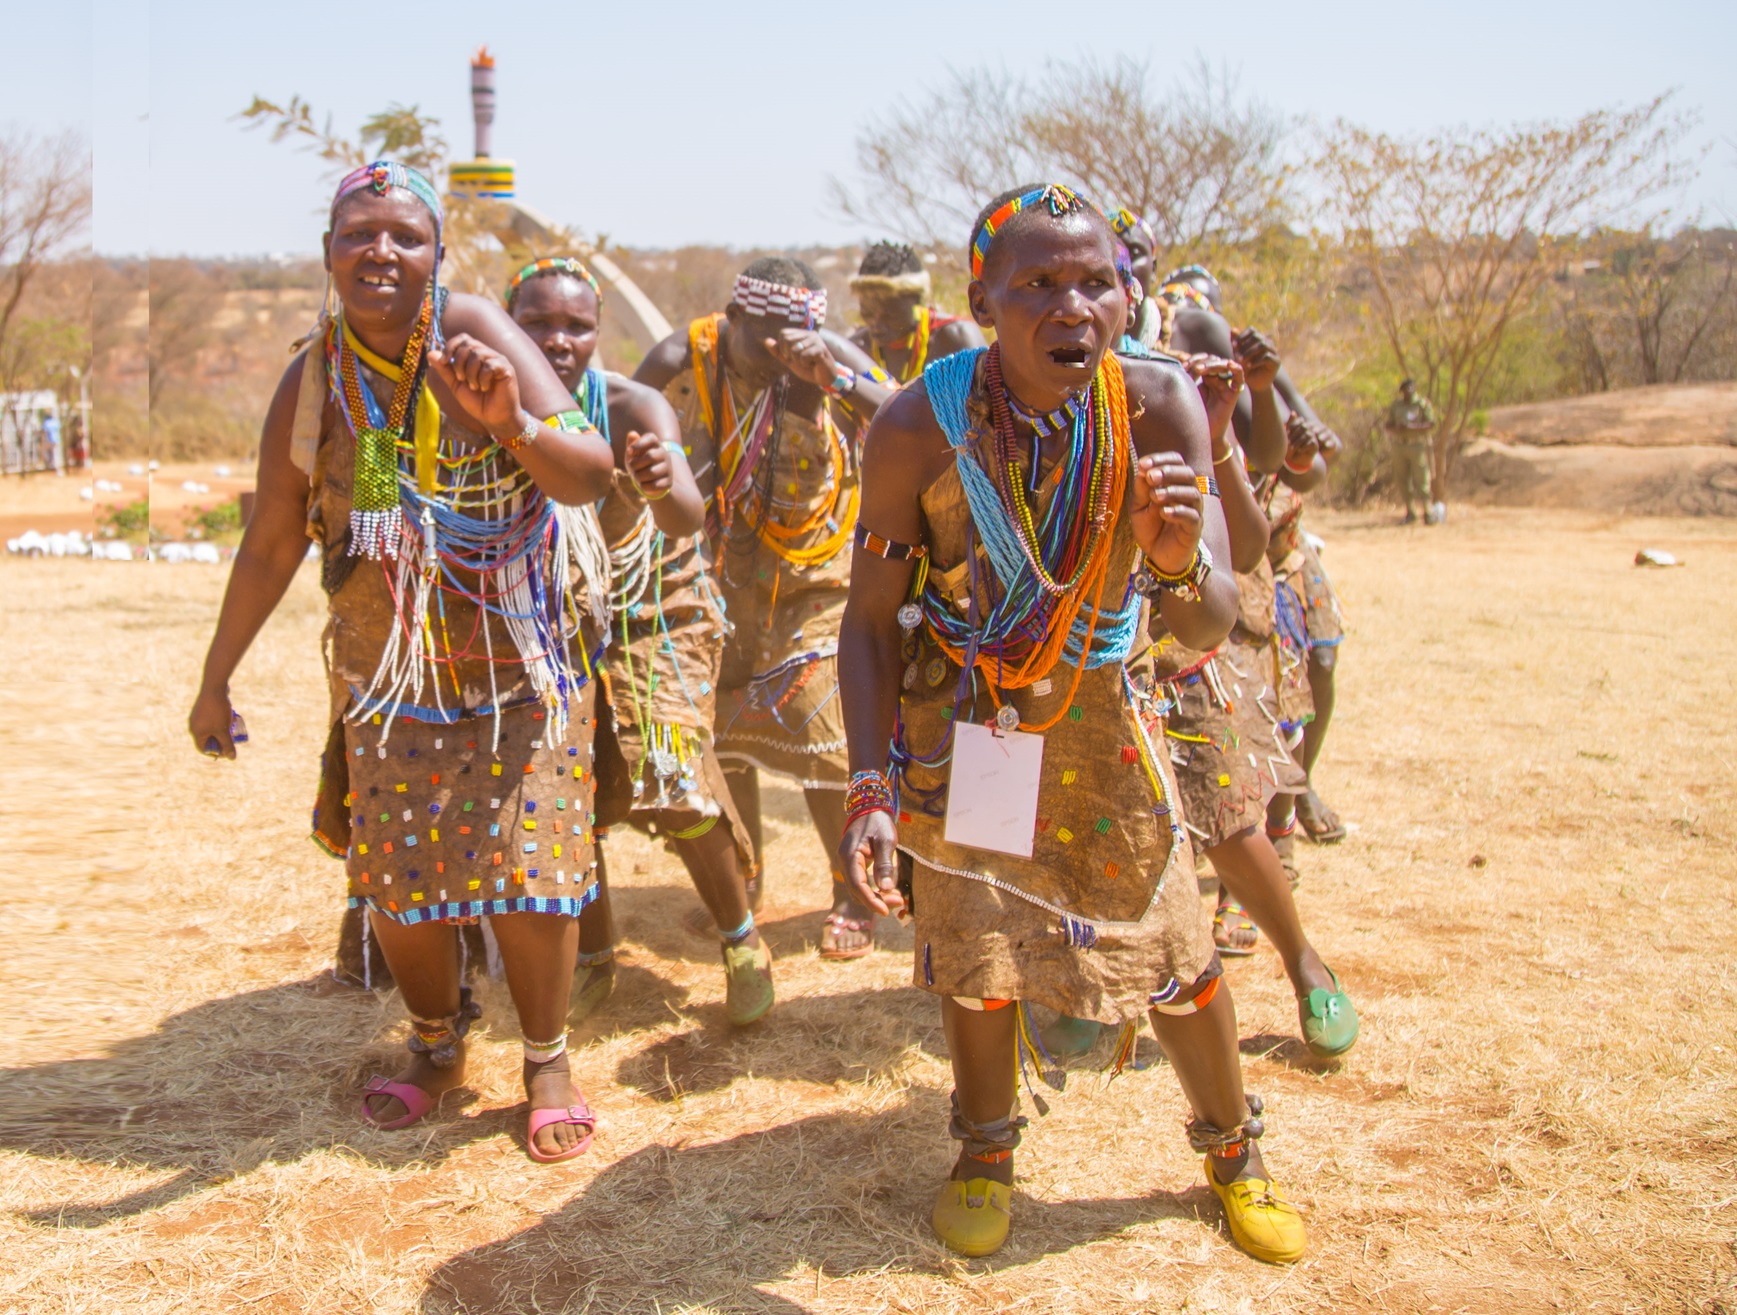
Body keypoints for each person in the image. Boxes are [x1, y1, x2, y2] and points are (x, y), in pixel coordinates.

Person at [837, 183, 1305, 1264]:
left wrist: (1177, 555)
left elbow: (1205, 622)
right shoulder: (917, 424)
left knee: (1176, 948)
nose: (1071, 306)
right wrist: (870, 786)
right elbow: (867, 620)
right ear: (984, 298)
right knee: (979, 945)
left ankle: (1235, 1150)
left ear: (1126, 294)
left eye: (1096, 282)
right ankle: (987, 1149)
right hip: (973, 715)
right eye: (1038, 284)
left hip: (1106, 723)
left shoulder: (1158, 404)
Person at [188, 162, 618, 1163]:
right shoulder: (322, 375)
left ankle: (547, 1058)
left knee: (533, 879)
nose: (380, 251)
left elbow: (588, 469)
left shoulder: (477, 331)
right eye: (357, 232)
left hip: (522, 665)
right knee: (404, 885)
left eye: (404, 235)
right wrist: (216, 677)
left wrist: (509, 419)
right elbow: (276, 537)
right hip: (390, 680)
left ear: (438, 254)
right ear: (329, 251)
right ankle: (435, 1047)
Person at [505, 256, 772, 1026]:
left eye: (577, 326)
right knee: (562, 797)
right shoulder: (479, 404)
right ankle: (590, 955)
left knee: (672, 771)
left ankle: (740, 935)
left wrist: (660, 481)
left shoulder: (632, 405)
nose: (558, 340)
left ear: (598, 332)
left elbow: (686, 515)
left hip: (654, 612)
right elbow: (387, 461)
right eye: (539, 323)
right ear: (505, 320)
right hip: (542, 627)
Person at [634, 258, 894, 959]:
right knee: (722, 730)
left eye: (796, 335)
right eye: (766, 338)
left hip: (814, 575)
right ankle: (744, 878)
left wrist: (831, 379)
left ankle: (851, 887)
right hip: (717, 574)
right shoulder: (687, 353)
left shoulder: (825, 355)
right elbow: (619, 415)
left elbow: (904, 414)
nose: (782, 350)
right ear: (734, 319)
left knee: (821, 724)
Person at [1161, 265, 1350, 851]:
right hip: (1215, 571)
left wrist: (1261, 394)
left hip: (1274, 564)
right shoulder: (1170, 393)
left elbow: (1304, 467)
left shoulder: (1243, 394)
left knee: (1300, 688)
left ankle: (1289, 813)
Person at [847, 241, 986, 384]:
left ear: (917, 300)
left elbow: (989, 400)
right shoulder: (855, 348)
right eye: (867, 313)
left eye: (889, 315)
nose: (876, 324)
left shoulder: (957, 337)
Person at [1385, 377, 1438, 525]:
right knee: (1402, 480)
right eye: (1405, 389)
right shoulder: (1397, 406)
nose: (1408, 391)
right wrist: (1398, 429)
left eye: (1411, 388)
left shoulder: (1422, 404)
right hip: (1399, 446)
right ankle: (1411, 512)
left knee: (1422, 480)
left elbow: (1431, 424)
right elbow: (1388, 425)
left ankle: (1428, 512)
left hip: (1418, 446)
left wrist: (1412, 428)